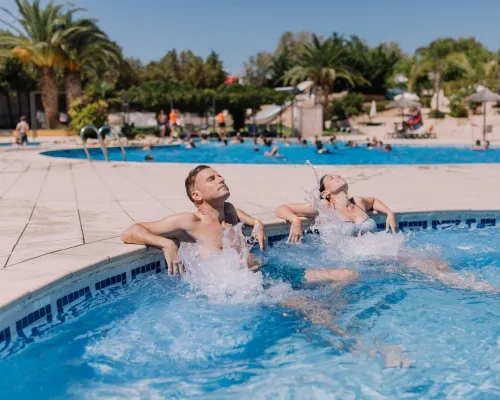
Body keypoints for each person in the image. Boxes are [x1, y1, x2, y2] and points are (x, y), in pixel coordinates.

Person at [121, 165, 358, 286]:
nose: (221, 179)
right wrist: (165, 243)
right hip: (245, 291)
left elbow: (236, 211)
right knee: (313, 310)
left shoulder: (229, 212)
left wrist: (255, 222)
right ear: (196, 195)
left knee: (349, 275)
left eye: (220, 176)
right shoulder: (189, 221)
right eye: (211, 179)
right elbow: (130, 231)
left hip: (268, 275)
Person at [276, 174, 396, 242]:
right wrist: (295, 220)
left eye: (336, 175)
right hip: (346, 264)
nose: (337, 176)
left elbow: (374, 201)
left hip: (375, 257)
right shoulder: (325, 207)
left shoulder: (358, 202)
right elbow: (281, 208)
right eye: (331, 178)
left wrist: (389, 213)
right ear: (325, 193)